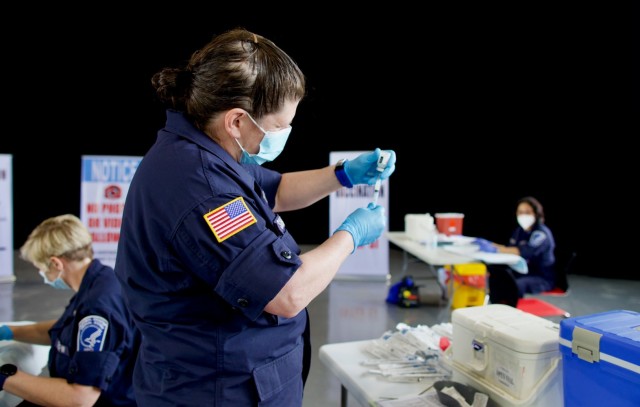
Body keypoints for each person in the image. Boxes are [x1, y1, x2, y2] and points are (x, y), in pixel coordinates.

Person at [114, 27, 396, 406]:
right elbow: (287, 292)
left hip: (225, 374)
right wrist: (352, 234)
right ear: (236, 121)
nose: (284, 134)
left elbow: (275, 190)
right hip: (217, 388)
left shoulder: (203, 150)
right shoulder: (205, 192)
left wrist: (343, 174)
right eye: (278, 126)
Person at [0, 214, 140, 406]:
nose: (43, 274)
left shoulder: (98, 308)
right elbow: (65, 330)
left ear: (56, 263)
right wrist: (8, 331)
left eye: (41, 268)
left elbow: (80, 399)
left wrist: (5, 376)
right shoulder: (100, 281)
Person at [474, 196, 556, 307]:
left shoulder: (541, 234)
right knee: (498, 278)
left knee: (515, 285)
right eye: (520, 212)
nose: (523, 215)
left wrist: (496, 248)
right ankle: (497, 307)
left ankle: (513, 312)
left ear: (536, 213)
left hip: (541, 277)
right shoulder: (519, 231)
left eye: (527, 212)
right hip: (522, 272)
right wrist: (490, 244)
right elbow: (509, 249)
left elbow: (521, 252)